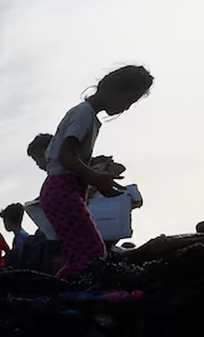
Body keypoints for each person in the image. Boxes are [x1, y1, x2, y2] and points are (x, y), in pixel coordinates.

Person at [41, 65, 154, 280]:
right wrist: (95, 178)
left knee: (84, 254)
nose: (126, 108)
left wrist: (98, 175)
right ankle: (59, 296)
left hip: (64, 188)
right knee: (90, 254)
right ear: (113, 89)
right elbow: (66, 156)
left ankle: (59, 294)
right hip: (62, 188)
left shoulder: (88, 116)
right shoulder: (84, 114)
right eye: (127, 101)